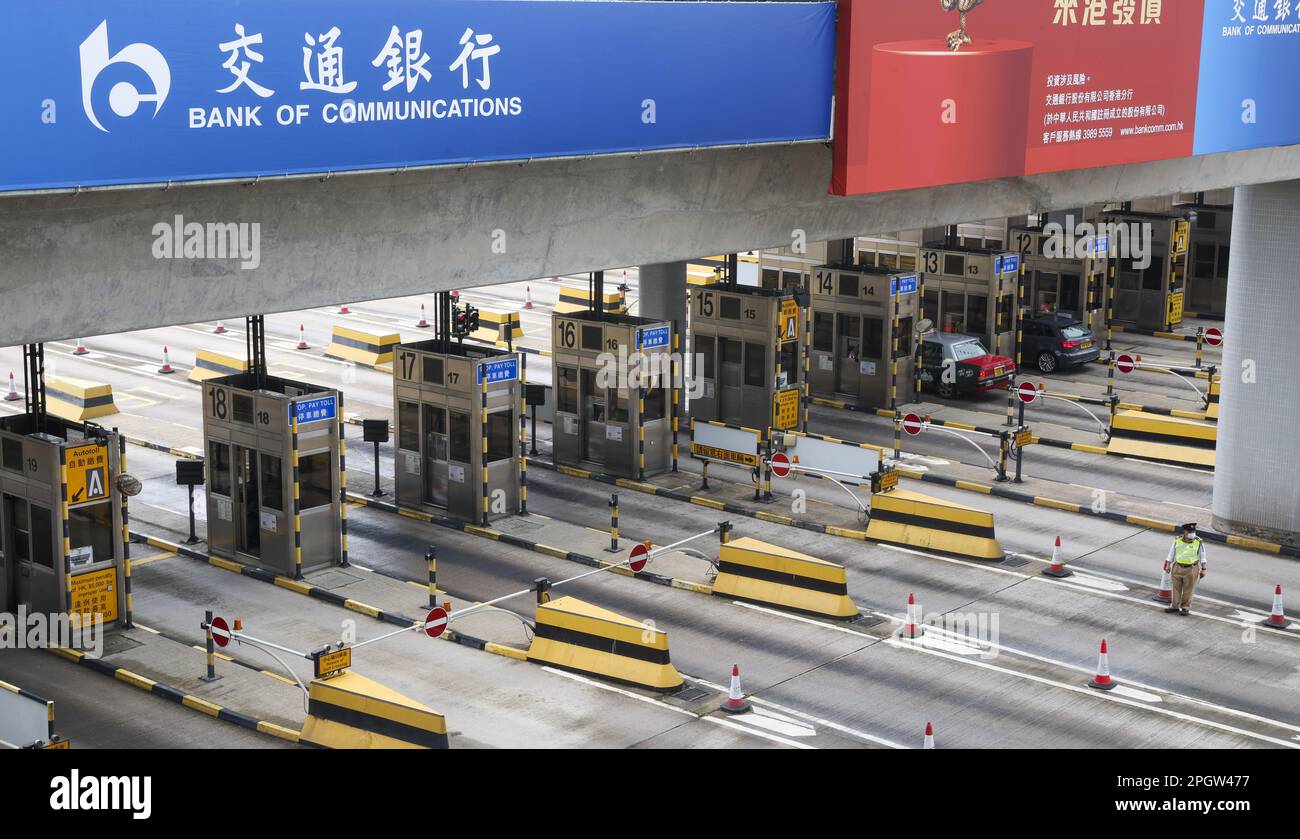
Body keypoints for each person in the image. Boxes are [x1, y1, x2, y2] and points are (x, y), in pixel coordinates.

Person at [1165, 523, 1206, 615]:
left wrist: (1204, 569)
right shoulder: (1177, 540)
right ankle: (1174, 606)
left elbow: (1203, 556)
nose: (1192, 533)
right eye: (1190, 531)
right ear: (1185, 532)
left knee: (1189, 589)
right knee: (1176, 588)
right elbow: (1171, 553)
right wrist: (1168, 565)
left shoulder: (1198, 541)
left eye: (1193, 531)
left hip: (1191, 569)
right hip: (1177, 567)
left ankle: (1185, 607)